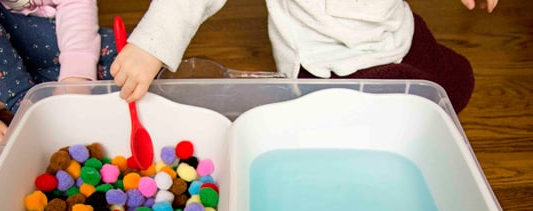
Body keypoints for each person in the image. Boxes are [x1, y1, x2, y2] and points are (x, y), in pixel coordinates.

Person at [110, 0, 498, 113]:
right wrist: (151, 45)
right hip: (330, 61)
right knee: (403, 109)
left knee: (459, 79)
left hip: (395, 28)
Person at [0, 0, 117, 155]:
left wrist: (75, 78)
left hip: (30, 37)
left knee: (120, 59)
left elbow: (74, 5)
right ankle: (17, 96)